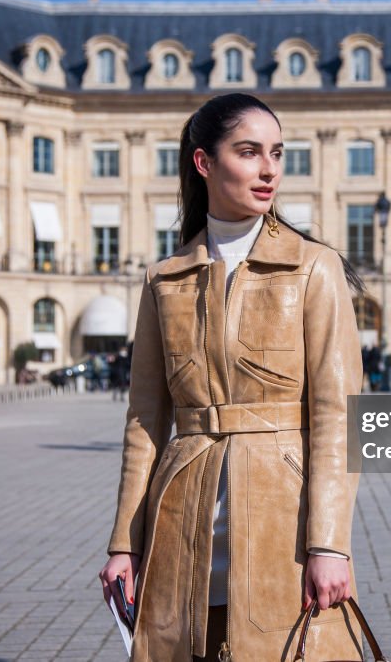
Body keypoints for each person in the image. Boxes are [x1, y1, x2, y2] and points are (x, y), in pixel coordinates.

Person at [98, 94, 367, 661]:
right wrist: (124, 542)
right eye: (248, 152)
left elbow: (337, 416)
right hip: (179, 522)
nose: (269, 169)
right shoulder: (163, 279)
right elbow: (146, 419)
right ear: (204, 163)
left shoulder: (313, 267)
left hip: (283, 525)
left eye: (276, 153)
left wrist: (330, 545)